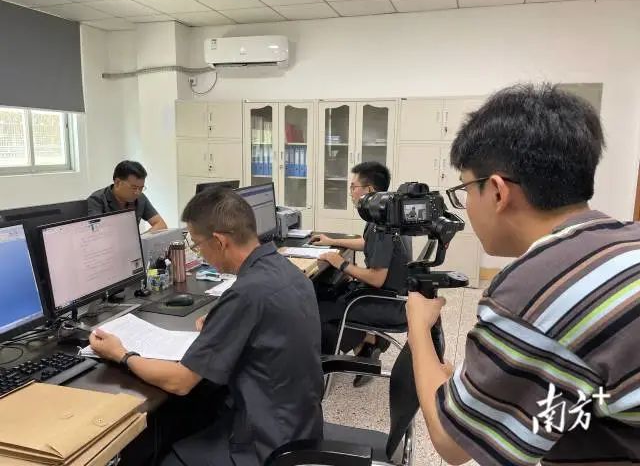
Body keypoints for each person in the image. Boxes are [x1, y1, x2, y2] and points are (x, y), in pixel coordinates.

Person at [406, 83, 640, 465]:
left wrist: (418, 328)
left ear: (498, 191)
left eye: (465, 190)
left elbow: (452, 444)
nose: (466, 206)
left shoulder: (534, 293)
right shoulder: (628, 240)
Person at [88, 188, 324, 466]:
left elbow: (180, 382)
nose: (199, 253)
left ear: (220, 241)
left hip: (266, 442)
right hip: (298, 422)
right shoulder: (285, 270)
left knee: (157, 453)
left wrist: (121, 354)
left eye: (197, 245)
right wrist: (221, 325)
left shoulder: (248, 293)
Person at [311, 161, 411, 387]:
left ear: (369, 190)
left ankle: (323, 371)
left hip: (385, 303)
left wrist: (341, 264)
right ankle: (367, 345)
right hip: (392, 296)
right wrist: (332, 241)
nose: (350, 192)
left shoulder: (382, 226)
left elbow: (377, 278)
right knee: (329, 290)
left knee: (316, 307)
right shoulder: (385, 214)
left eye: (353, 186)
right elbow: (367, 243)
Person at [88, 160, 167, 231]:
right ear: (117, 183)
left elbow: (160, 224)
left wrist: (140, 239)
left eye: (141, 188)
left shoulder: (140, 197)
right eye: (134, 188)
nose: (137, 192)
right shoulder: (96, 200)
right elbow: (95, 233)